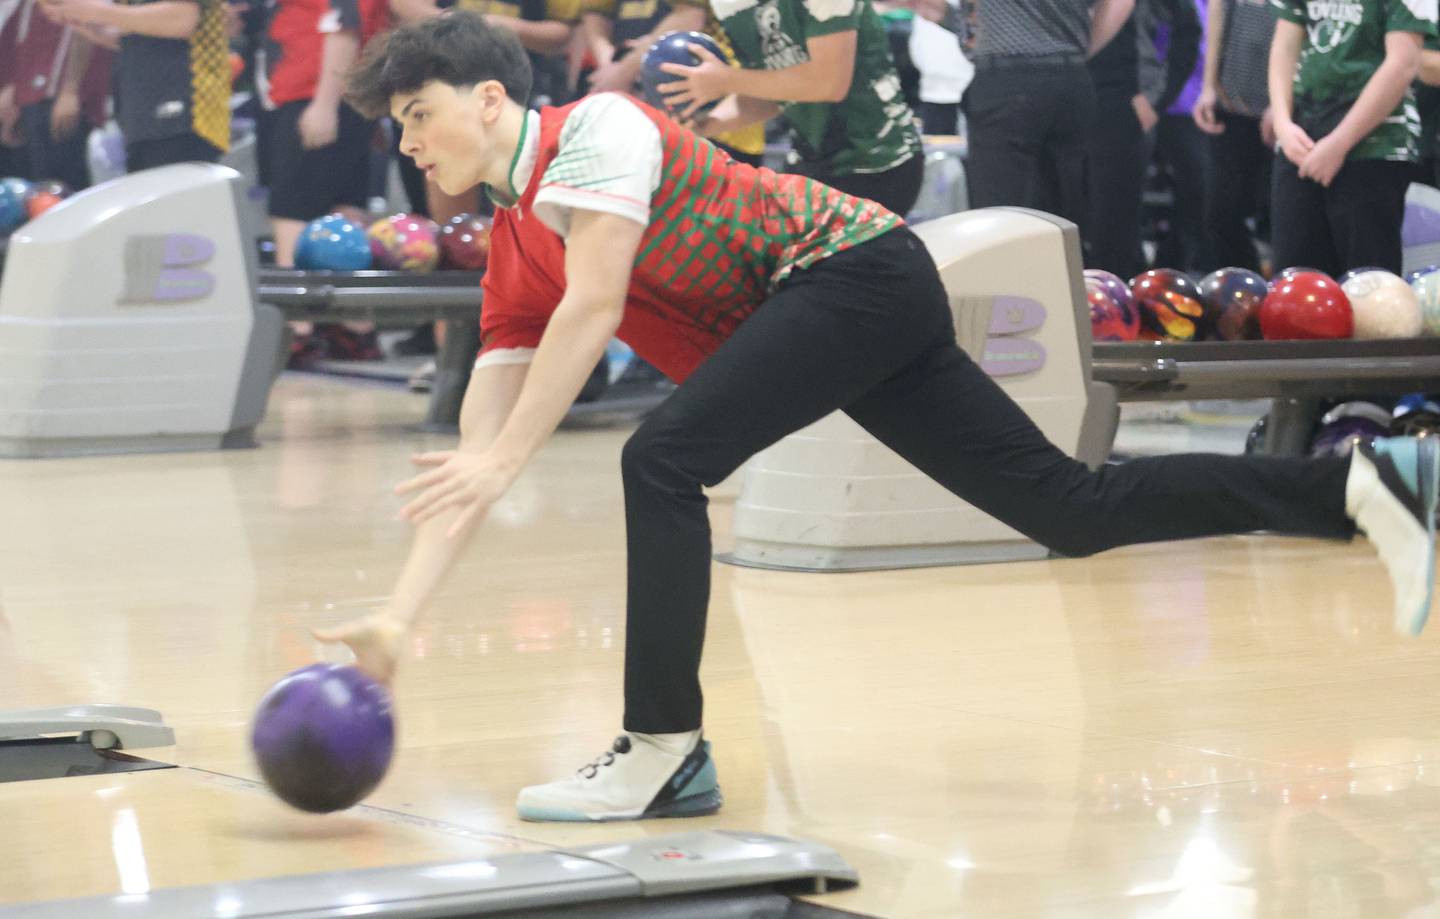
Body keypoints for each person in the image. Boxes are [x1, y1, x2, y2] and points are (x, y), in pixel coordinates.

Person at [323, 11, 1438, 823]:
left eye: (420, 117)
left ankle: (662, 747)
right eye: (400, 129)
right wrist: (398, 617)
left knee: (659, 457)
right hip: (847, 300)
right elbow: (474, 455)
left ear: (486, 99)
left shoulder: (597, 129)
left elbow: (596, 308)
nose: (411, 144)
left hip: (852, 269)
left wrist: (510, 452)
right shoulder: (514, 248)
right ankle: (1363, 482)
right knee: (1071, 506)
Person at [655, 0, 926, 215]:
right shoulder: (730, 3)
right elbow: (770, 92)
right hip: (812, 167)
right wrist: (706, 125)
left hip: (879, 163)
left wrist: (725, 80)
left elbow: (829, 83)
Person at [1267, 0, 1437, 277]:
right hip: (1301, 136)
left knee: (1367, 286)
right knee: (1293, 277)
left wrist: (1339, 143)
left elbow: (1403, 63)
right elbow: (1284, 46)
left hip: (1375, 144)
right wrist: (1283, 124)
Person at [959, 0, 1134, 230]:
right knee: (1064, 215)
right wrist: (1080, 48)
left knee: (1001, 219)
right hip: (1070, 76)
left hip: (1007, 77)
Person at [39, 0, 230, 170]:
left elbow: (183, 19)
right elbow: (137, 37)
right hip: (142, 118)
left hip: (187, 114)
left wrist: (98, 11)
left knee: (182, 203)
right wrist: (86, 23)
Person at [1192, 0, 1273, 272]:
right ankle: (1242, 292)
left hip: (1286, 110)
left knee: (1278, 214)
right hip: (1231, 102)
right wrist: (1208, 84)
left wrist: (1284, 104)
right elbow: (1217, 11)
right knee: (1218, 213)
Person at [0, 0, 111, 190]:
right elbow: (24, 33)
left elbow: (83, 23)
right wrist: (15, 86)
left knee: (62, 189)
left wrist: (70, 90)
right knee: (39, 189)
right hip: (33, 94)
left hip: (58, 97)